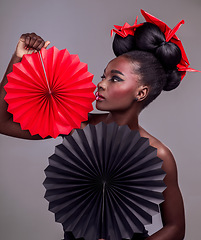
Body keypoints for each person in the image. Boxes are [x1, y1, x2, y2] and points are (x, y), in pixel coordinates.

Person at [0, 13, 190, 240]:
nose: (100, 84)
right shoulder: (77, 125)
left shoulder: (158, 154)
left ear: (141, 92)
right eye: (103, 76)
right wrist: (17, 59)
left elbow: (176, 228)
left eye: (115, 78)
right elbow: (3, 123)